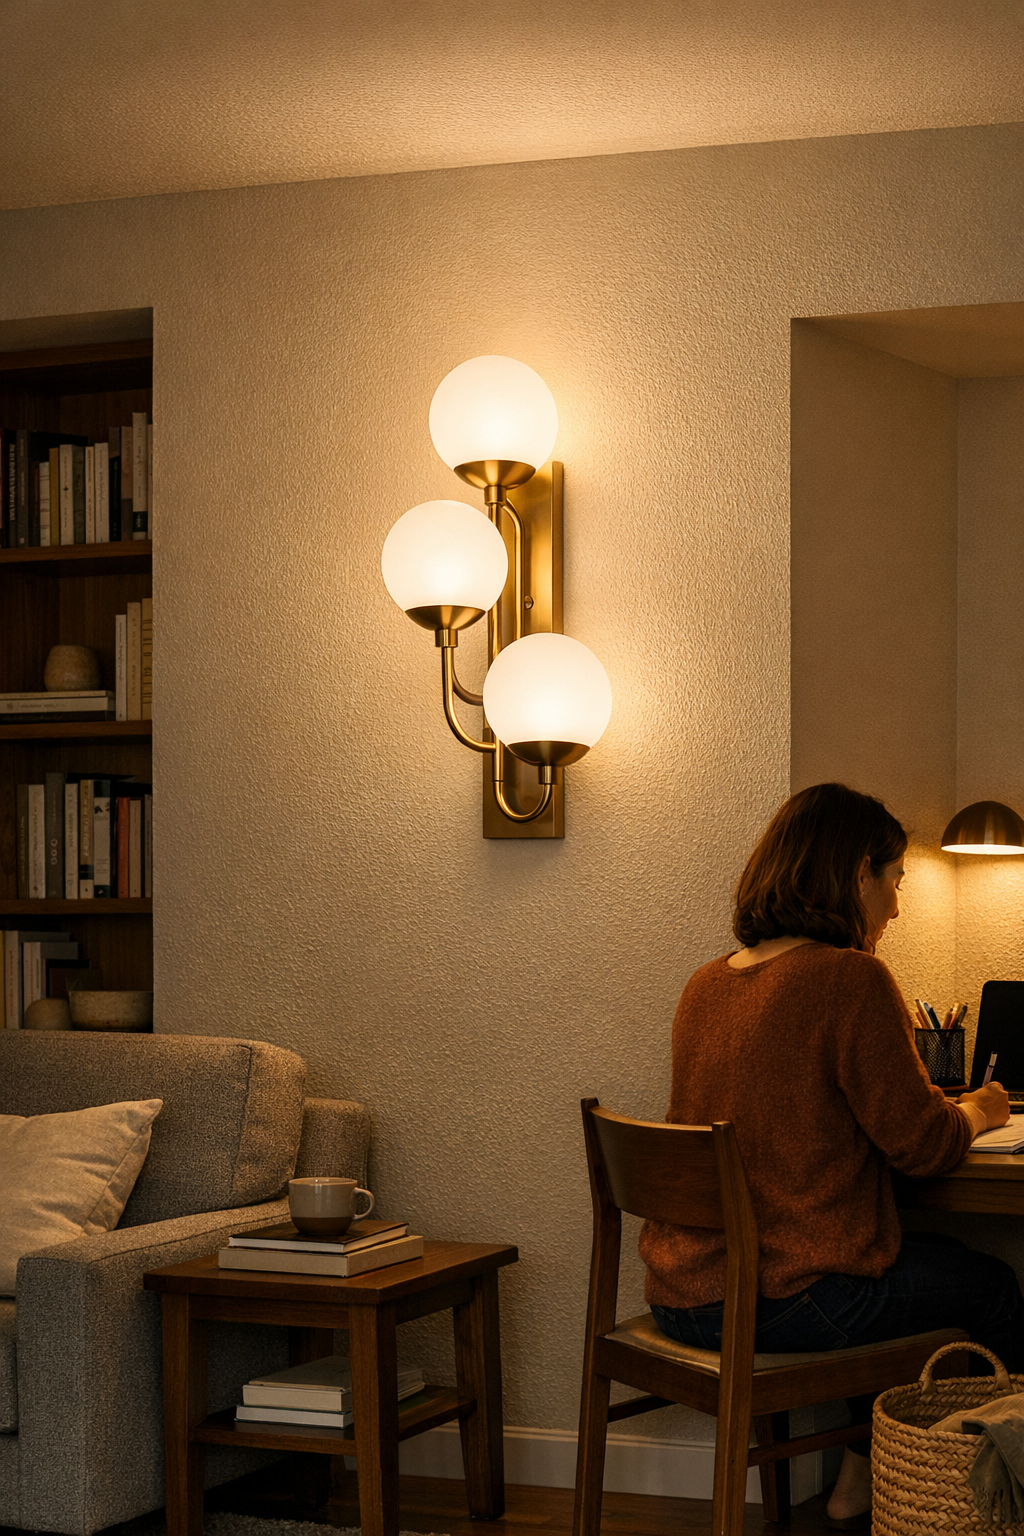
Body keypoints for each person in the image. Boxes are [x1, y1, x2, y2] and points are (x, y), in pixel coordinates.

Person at [638, 782, 1020, 1531]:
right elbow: (922, 1144)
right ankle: (986, 1505)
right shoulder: (850, 978)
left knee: (895, 1261)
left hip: (681, 1295)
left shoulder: (707, 983)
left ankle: (855, 1488)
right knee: (993, 1286)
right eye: (896, 881)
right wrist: (982, 1107)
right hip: (785, 1300)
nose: (899, 907)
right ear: (858, 877)